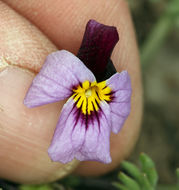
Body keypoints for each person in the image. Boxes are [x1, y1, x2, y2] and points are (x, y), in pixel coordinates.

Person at [0, 0, 142, 184]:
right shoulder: (104, 94)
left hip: (80, 87)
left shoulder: (83, 86)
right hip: (93, 91)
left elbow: (117, 118)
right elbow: (34, 95)